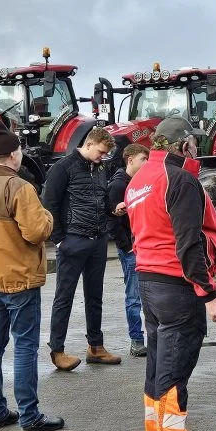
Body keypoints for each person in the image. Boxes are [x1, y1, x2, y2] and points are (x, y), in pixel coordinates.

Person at [127, 117, 216, 431]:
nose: (197, 151)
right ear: (184, 145)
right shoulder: (181, 180)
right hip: (176, 286)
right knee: (174, 373)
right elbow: (188, 243)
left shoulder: (139, 179)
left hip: (148, 282)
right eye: (194, 144)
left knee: (157, 367)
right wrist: (210, 296)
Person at [0, 119, 64, 431]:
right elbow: (36, 232)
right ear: (12, 155)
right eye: (19, 149)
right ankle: (30, 415)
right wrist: (48, 215)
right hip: (20, 280)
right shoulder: (20, 187)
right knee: (24, 346)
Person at [42, 126, 122, 370]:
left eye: (106, 154)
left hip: (97, 240)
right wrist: (59, 240)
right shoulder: (63, 167)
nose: (103, 157)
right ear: (89, 144)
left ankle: (96, 347)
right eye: (101, 152)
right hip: (73, 241)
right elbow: (49, 203)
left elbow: (101, 198)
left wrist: (113, 209)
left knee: (94, 296)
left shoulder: (99, 168)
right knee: (64, 298)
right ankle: (57, 350)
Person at [110, 142, 151, 355]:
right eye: (143, 159)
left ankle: (149, 337)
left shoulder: (141, 183)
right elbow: (113, 221)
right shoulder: (119, 186)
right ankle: (137, 340)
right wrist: (126, 248)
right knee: (134, 296)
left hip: (144, 245)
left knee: (149, 294)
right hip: (131, 249)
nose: (146, 163)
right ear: (131, 159)